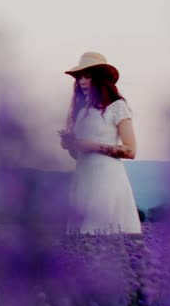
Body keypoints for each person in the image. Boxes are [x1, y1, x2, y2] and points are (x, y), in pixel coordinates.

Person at [58, 51, 142, 235]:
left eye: (87, 76)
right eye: (79, 77)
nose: (82, 81)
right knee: (82, 243)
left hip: (107, 179)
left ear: (100, 79)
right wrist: (71, 145)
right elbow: (77, 154)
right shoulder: (79, 113)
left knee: (102, 233)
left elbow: (130, 150)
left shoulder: (117, 106)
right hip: (83, 179)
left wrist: (92, 145)